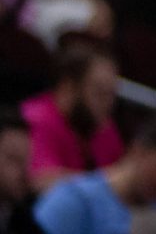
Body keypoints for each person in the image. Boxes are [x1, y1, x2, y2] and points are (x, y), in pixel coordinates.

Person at [22, 39, 124, 193]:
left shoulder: (105, 128)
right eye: (99, 93)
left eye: (111, 94)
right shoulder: (37, 118)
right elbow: (41, 181)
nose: (108, 104)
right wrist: (110, 181)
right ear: (68, 87)